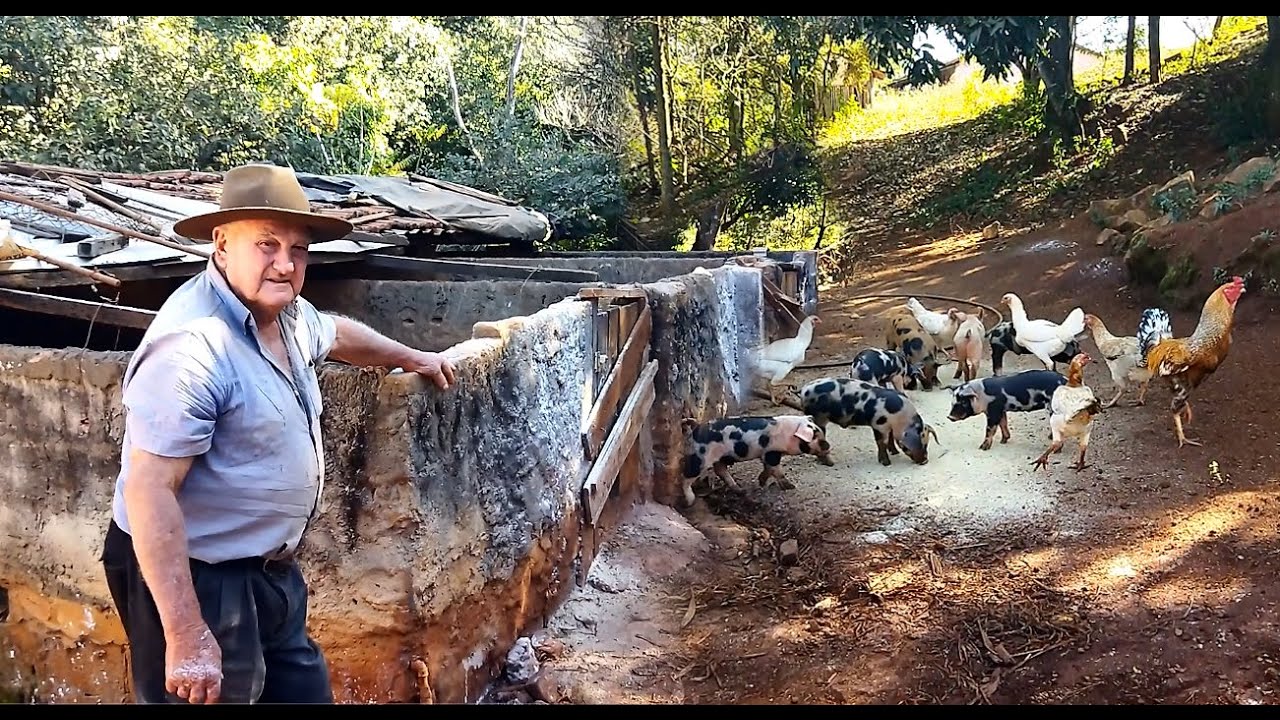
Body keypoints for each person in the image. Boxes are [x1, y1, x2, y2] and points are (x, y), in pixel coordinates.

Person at [98, 163, 457, 704]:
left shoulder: (286, 315)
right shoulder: (193, 347)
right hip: (196, 575)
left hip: (268, 572)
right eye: (267, 244)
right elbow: (149, 492)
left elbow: (336, 333)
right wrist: (187, 634)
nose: (286, 264)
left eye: (298, 249)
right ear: (222, 245)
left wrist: (410, 356)